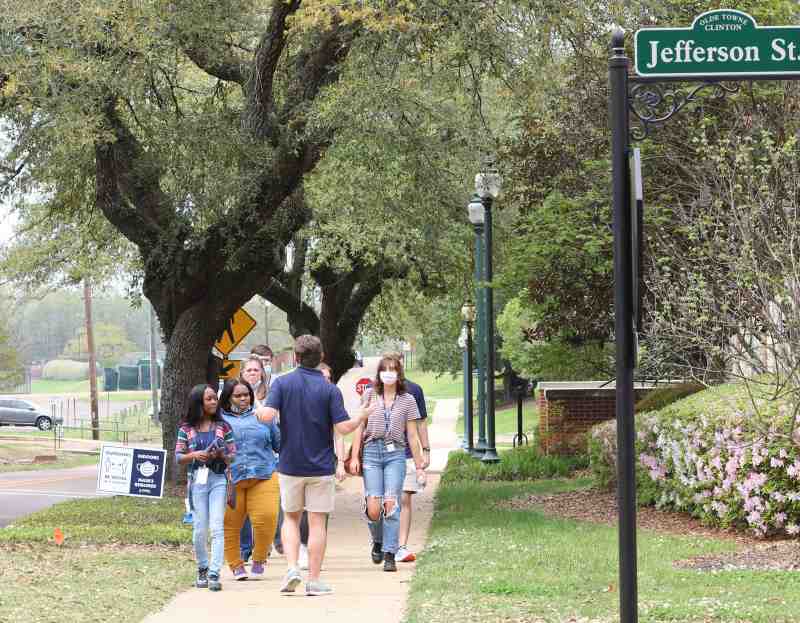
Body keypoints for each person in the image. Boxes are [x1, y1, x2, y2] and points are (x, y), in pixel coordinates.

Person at [262, 334, 369, 596]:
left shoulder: (282, 384)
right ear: (321, 358)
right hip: (321, 466)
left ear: (296, 357)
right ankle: (314, 580)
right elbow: (343, 428)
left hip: (289, 464)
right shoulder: (329, 389)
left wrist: (257, 409)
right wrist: (362, 415)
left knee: (290, 518)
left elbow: (266, 416)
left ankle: (291, 568)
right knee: (318, 522)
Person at [349, 353, 426, 572]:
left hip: (396, 453)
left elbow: (412, 435)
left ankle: (391, 552)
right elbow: (359, 427)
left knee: (391, 503)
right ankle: (378, 540)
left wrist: (419, 465)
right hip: (372, 452)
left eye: (393, 370)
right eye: (385, 369)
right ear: (379, 373)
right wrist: (355, 456)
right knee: (374, 506)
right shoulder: (370, 396)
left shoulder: (408, 400)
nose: (388, 374)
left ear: (399, 374)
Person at [175, 384, 237, 592]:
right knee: (200, 528)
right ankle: (202, 567)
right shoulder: (186, 429)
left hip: (218, 478)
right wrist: (194, 455)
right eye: (209, 399)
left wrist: (222, 455)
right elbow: (178, 457)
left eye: (214, 398)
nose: (213, 402)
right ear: (198, 402)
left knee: (217, 527)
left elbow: (233, 454)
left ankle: (214, 572)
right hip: (197, 480)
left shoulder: (223, 426)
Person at [219, 378, 281, 581]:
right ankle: (235, 565)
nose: (243, 398)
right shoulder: (218, 420)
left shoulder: (263, 417)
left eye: (246, 394)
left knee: (267, 519)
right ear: (228, 398)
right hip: (231, 479)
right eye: (238, 395)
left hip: (263, 474)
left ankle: (259, 559)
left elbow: (278, 443)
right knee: (231, 524)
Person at [395, 364, 431, 563]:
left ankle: (401, 546)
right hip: (381, 454)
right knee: (384, 501)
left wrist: (425, 450)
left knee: (404, 498)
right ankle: (383, 542)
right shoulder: (374, 391)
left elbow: (421, 422)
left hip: (408, 452)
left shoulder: (414, 390)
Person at [237, 355, 270, 564]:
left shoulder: (270, 395)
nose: (252, 373)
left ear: (262, 373)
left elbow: (272, 421)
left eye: (255, 370)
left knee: (261, 506)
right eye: (248, 370)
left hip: (263, 455)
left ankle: (262, 545)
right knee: (243, 507)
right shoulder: (232, 394)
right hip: (240, 456)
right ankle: (245, 548)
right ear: (242, 373)